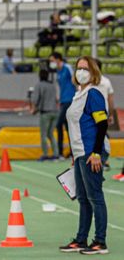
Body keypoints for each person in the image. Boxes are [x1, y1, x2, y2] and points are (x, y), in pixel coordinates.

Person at [60, 56, 109, 255]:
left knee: (95, 197)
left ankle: (100, 241)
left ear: (93, 72)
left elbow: (102, 124)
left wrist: (96, 152)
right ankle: (81, 239)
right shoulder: (77, 95)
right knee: (83, 198)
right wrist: (74, 154)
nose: (81, 72)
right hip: (80, 154)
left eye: (85, 68)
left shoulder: (94, 94)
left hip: (92, 153)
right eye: (78, 68)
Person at [49, 52, 76, 157]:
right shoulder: (57, 71)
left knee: (58, 124)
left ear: (58, 59)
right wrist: (58, 98)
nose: (51, 63)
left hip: (70, 100)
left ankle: (60, 152)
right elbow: (59, 86)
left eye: (52, 60)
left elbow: (75, 80)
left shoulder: (67, 68)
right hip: (63, 100)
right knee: (67, 126)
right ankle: (71, 152)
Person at [30, 69, 59, 161]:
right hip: (55, 112)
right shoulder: (52, 85)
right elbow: (56, 98)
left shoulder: (39, 85)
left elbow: (35, 99)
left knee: (43, 134)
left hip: (45, 112)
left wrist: (33, 109)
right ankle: (56, 153)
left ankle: (45, 154)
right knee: (51, 134)